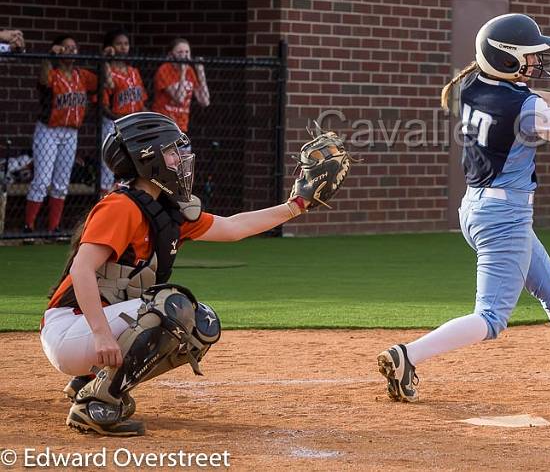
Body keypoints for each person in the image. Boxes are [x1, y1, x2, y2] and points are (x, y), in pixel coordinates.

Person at [376, 13, 550, 403]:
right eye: (529, 56)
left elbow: (544, 100)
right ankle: (407, 355)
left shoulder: (473, 86)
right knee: (490, 319)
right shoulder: (524, 108)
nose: (538, 62)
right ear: (507, 59)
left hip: (478, 210)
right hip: (503, 218)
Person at [40, 111, 344, 436]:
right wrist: (100, 334)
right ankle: (95, 405)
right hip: (69, 326)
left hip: (91, 329)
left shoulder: (167, 211)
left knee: (202, 323)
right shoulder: (121, 206)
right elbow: (82, 268)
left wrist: (297, 204)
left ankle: (90, 382)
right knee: (171, 306)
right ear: (148, 159)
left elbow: (234, 227)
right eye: (171, 152)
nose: (181, 159)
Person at [25, 35, 101, 235]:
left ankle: (54, 228)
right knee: (42, 180)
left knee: (61, 182)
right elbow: (43, 80)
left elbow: (106, 84)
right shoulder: (53, 72)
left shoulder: (82, 75)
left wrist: (105, 58)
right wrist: (49, 57)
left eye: (73, 47)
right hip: (48, 131)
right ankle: (28, 227)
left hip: (71, 132)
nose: (70, 51)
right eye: (66, 47)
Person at [99, 30, 147, 192]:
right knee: (108, 169)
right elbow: (103, 106)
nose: (123, 47)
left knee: (132, 168)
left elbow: (141, 102)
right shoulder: (107, 71)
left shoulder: (134, 72)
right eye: (118, 43)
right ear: (110, 47)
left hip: (133, 126)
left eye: (126, 44)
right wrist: (121, 120)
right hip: (113, 125)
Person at [152, 38, 209, 133]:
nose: (184, 55)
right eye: (180, 52)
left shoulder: (190, 71)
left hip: (181, 125)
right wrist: (183, 73)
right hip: (164, 125)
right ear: (171, 54)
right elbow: (179, 99)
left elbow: (204, 101)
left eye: (187, 52)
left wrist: (201, 73)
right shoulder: (164, 69)